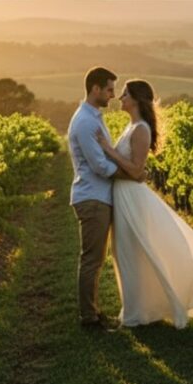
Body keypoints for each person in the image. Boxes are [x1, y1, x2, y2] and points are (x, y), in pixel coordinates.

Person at [96, 79, 193, 329]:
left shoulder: (141, 129)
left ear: (137, 100)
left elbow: (136, 170)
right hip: (124, 195)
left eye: (125, 94)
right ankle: (139, 310)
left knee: (135, 252)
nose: (120, 98)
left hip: (132, 196)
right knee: (127, 253)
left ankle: (136, 315)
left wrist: (108, 151)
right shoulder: (132, 126)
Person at [67, 66, 143, 329]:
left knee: (95, 259)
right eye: (109, 89)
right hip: (93, 197)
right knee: (91, 259)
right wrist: (131, 174)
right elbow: (100, 166)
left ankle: (93, 312)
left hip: (98, 196)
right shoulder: (86, 121)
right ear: (95, 89)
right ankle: (88, 317)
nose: (113, 95)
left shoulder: (93, 116)